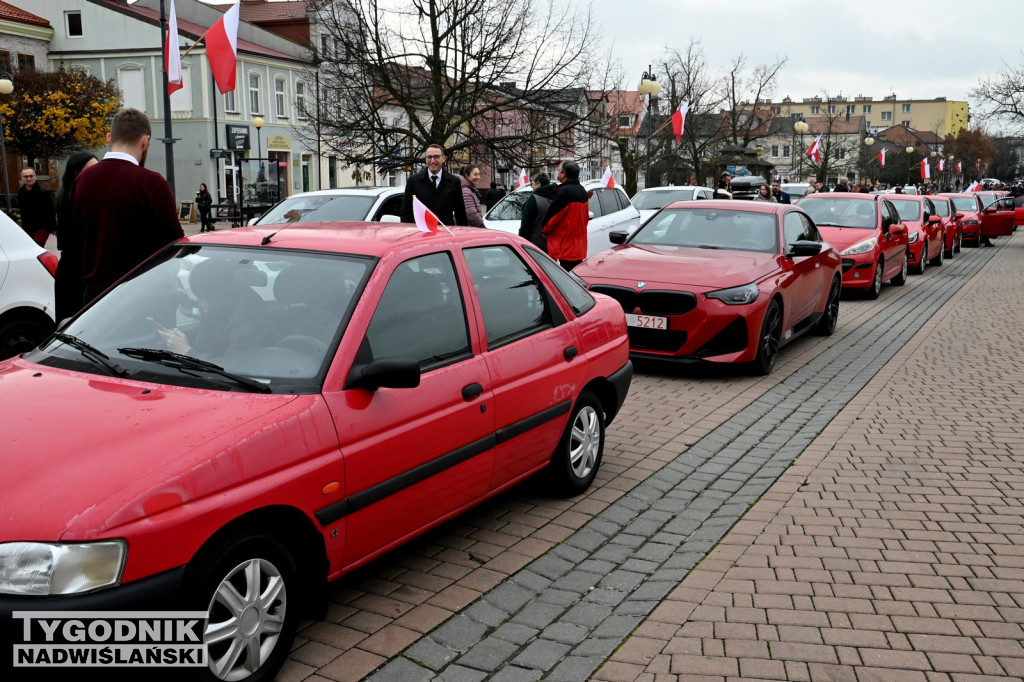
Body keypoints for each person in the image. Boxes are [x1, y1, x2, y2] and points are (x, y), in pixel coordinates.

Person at [74, 107, 184, 305]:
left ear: (109, 137)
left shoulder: (83, 179)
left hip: (95, 298)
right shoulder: (152, 183)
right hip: (144, 296)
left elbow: (75, 237)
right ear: (145, 141)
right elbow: (174, 242)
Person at [53, 152, 99, 321]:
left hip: (75, 269)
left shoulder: (72, 193)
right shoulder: (73, 197)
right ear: (76, 173)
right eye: (92, 169)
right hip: (75, 272)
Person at [400, 144, 469, 226]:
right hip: (422, 233)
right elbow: (406, 212)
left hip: (446, 233)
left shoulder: (454, 182)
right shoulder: (413, 181)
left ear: (444, 158)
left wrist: (461, 234)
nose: (432, 161)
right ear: (425, 159)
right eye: (429, 157)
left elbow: (460, 213)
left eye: (436, 157)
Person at [541, 161, 589, 270]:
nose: (557, 173)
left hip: (565, 246)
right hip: (578, 247)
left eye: (558, 170)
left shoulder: (564, 192)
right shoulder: (582, 191)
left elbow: (553, 217)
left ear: (563, 173)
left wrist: (544, 230)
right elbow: (585, 218)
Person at [17, 167, 57, 247]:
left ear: (35, 176)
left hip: (42, 227)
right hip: (28, 227)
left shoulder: (43, 192)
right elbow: (22, 210)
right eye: (26, 176)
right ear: (22, 178)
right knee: (30, 249)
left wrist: (53, 227)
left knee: (37, 247)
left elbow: (50, 210)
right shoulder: (21, 192)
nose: (29, 178)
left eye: (31, 176)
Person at [519, 172, 557, 251]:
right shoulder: (555, 197)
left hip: (534, 245)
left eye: (532, 183)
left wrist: (521, 241)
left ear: (538, 184)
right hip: (552, 244)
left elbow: (526, 224)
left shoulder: (533, 199)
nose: (531, 187)